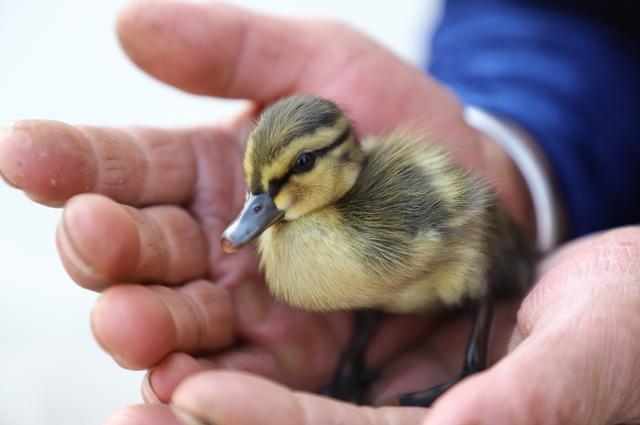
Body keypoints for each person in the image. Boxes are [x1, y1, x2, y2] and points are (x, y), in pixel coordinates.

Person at [0, 1, 638, 424]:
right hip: (578, 95)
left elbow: (466, 214)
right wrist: (529, 150)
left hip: (477, 252)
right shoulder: (297, 220)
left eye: (288, 177)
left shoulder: (393, 212)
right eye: (259, 188)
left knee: (458, 269)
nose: (259, 209)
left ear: (339, 158)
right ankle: (361, 348)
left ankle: (463, 361)